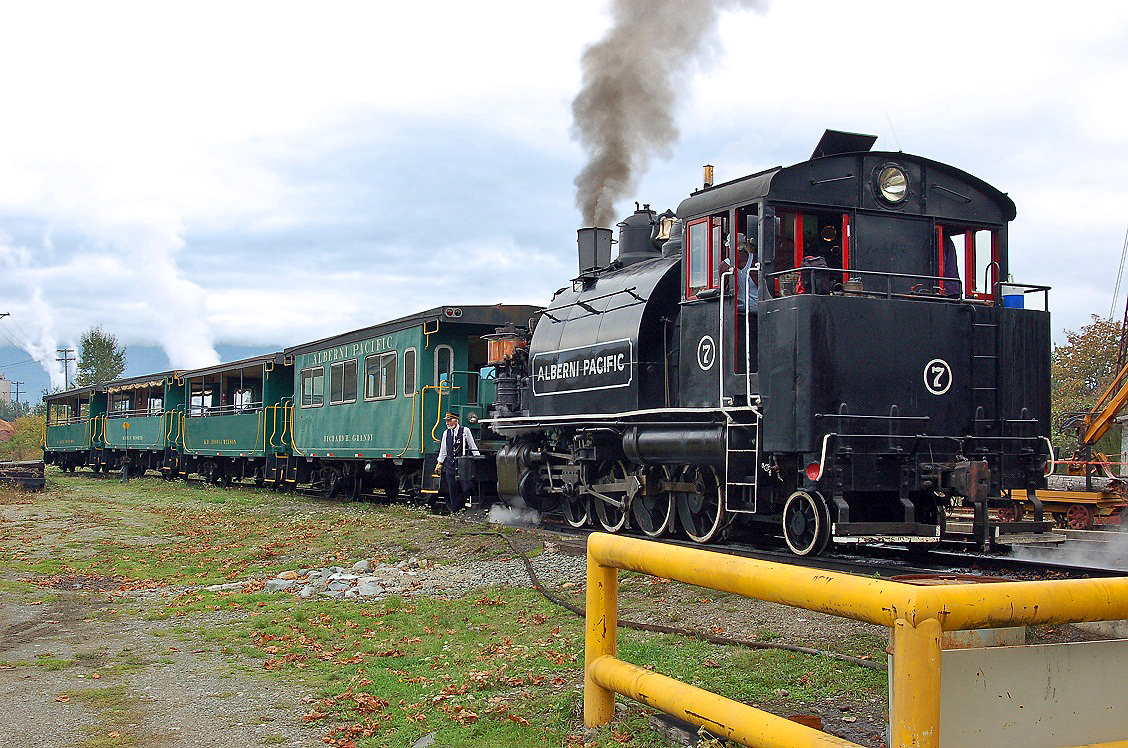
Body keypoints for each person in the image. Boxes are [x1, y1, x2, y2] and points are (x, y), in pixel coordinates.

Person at [435, 412, 480, 513]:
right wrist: (439, 463)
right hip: (450, 464)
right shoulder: (446, 433)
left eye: (449, 421)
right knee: (452, 488)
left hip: (462, 463)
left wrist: (477, 457)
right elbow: (443, 450)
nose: (447, 423)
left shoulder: (465, 430)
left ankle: (465, 505)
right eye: (446, 421)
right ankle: (455, 511)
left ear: (455, 421)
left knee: (465, 486)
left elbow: (472, 445)